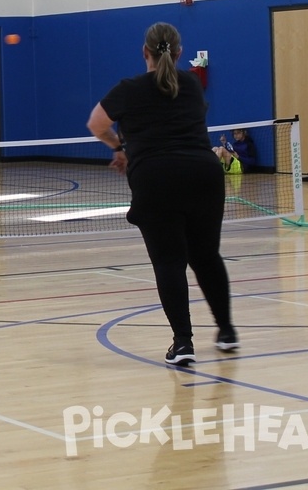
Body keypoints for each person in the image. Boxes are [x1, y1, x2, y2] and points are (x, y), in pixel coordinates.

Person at [87, 22, 237, 366]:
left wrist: (119, 147)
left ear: (145, 52)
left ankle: (183, 343)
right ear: (180, 53)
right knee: (206, 256)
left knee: (169, 261)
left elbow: (96, 123)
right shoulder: (190, 84)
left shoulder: (129, 89)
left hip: (156, 178)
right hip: (204, 175)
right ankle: (227, 332)